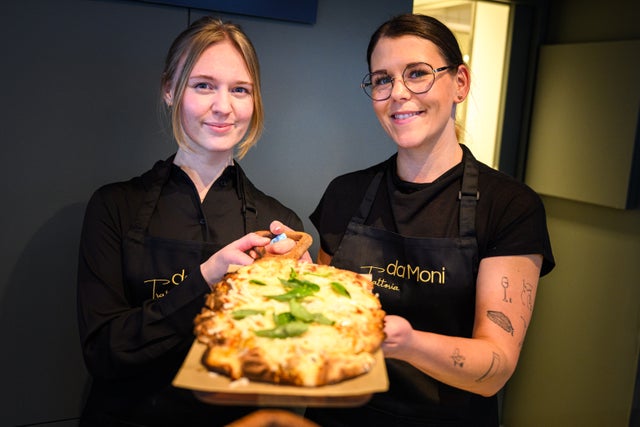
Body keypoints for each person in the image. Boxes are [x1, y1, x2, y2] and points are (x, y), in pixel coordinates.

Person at [304, 13, 555, 427]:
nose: (398, 93)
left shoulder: (510, 206)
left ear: (460, 83)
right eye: (382, 79)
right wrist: (290, 276)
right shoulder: (344, 193)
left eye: (417, 73)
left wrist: (407, 343)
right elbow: (325, 318)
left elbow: (497, 366)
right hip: (335, 415)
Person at [77, 17, 307, 426]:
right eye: (204, 85)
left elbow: (286, 363)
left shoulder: (279, 224)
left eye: (240, 90)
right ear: (170, 90)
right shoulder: (114, 207)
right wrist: (206, 279)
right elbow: (103, 352)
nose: (224, 106)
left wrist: (305, 302)